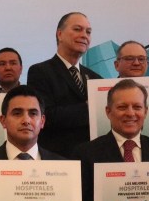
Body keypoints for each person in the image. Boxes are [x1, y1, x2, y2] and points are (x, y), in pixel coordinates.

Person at [26, 12, 101, 158]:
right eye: (78, 29)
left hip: (91, 158)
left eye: (88, 32)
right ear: (59, 34)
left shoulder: (95, 77)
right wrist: (90, 107)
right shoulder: (40, 71)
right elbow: (45, 116)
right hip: (58, 158)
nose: (84, 35)